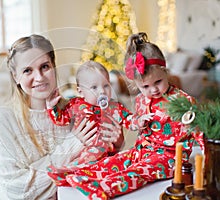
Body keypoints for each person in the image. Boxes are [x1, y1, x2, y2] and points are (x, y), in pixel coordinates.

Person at [63, 32, 205, 200]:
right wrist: (137, 122)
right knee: (117, 160)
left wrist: (209, 158)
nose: (153, 90)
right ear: (136, 84)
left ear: (165, 71)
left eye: (158, 82)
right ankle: (80, 175)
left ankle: (103, 188)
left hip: (169, 159)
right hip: (140, 150)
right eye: (145, 86)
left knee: (136, 172)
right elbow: (132, 123)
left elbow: (199, 131)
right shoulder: (140, 99)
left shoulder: (183, 101)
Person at [0, 34, 122, 199]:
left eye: (45, 66)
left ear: (54, 67)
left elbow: (92, 165)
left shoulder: (73, 109)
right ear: (16, 76)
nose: (39, 77)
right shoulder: (1, 119)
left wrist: (114, 144)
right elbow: (17, 189)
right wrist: (73, 144)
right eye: (28, 70)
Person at [46, 61, 132, 185]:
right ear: (80, 92)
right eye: (94, 87)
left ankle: (100, 178)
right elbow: (61, 119)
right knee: (82, 162)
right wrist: (52, 107)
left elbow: (128, 119)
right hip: (86, 151)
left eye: (106, 85)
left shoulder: (114, 107)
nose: (102, 91)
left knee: (124, 159)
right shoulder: (76, 105)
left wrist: (138, 121)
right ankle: (68, 175)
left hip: (108, 154)